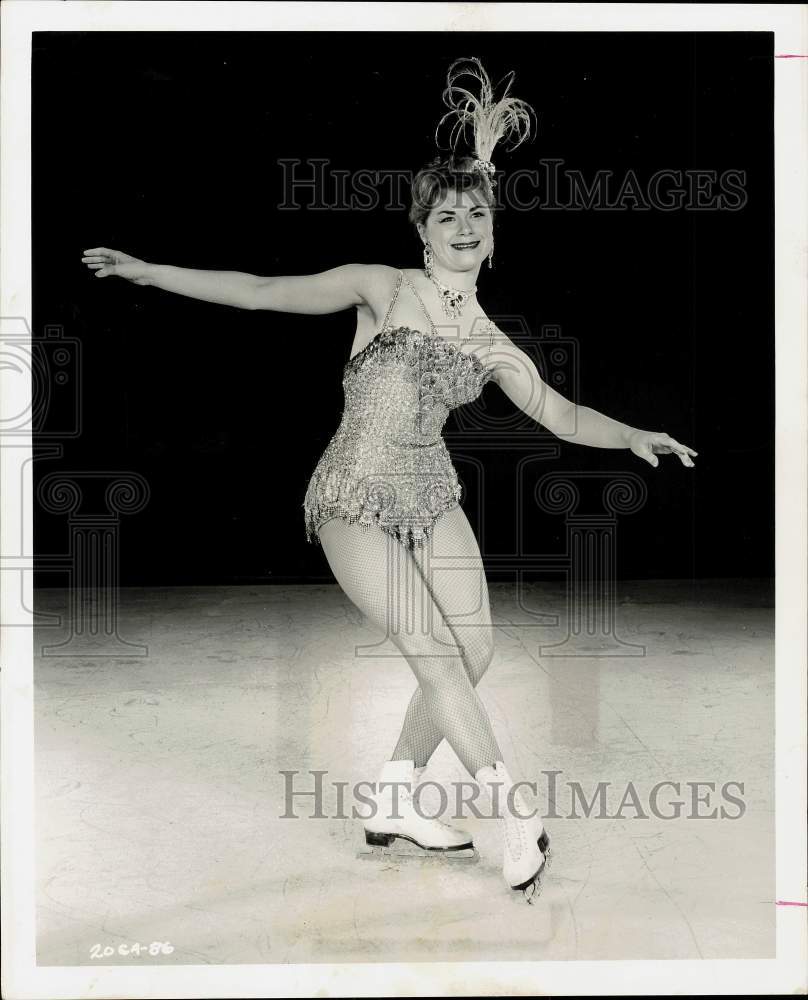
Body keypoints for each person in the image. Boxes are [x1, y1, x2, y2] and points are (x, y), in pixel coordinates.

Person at [80, 57, 697, 901]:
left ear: (493, 232)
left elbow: (559, 415)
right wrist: (153, 271)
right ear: (422, 231)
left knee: (473, 647)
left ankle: (395, 795)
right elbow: (263, 292)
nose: (463, 225)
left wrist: (634, 436)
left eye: (476, 213)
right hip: (355, 495)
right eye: (446, 214)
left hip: (430, 494)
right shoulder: (382, 286)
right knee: (438, 652)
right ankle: (511, 817)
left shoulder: (493, 346)